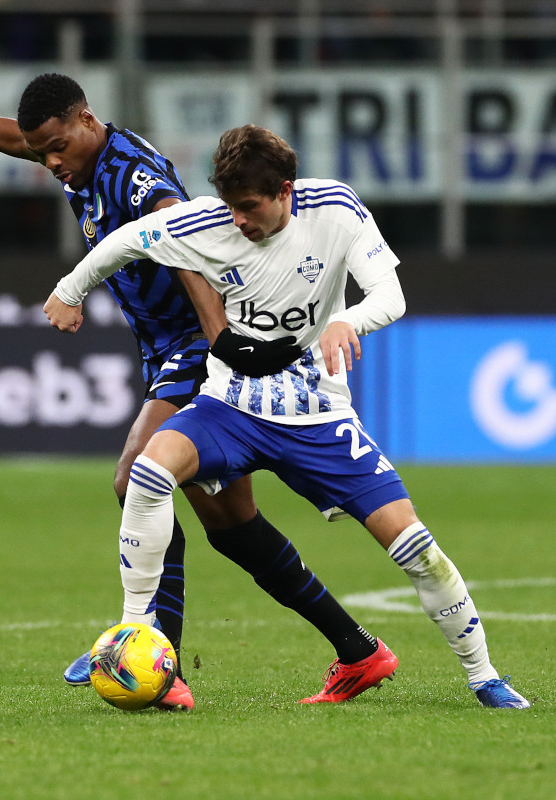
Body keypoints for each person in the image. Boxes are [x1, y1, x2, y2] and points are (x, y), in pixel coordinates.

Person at [0, 73, 399, 708]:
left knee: (137, 477)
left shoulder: (136, 177)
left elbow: (185, 236)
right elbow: (18, 140)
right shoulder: (75, 158)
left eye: (57, 146)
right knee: (233, 526)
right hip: (169, 349)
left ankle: (154, 654)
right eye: (43, 151)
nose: (50, 161)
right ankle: (359, 651)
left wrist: (218, 336)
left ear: (86, 119)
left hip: (196, 347)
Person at [43, 124, 531, 709]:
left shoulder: (336, 208)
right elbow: (125, 241)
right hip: (234, 406)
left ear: (285, 191)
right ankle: (134, 637)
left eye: (249, 208)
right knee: (146, 474)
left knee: (415, 546)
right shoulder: (207, 221)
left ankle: (484, 677)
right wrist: (69, 290)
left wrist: (351, 320)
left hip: (318, 414)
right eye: (230, 207)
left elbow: (390, 295)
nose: (238, 221)